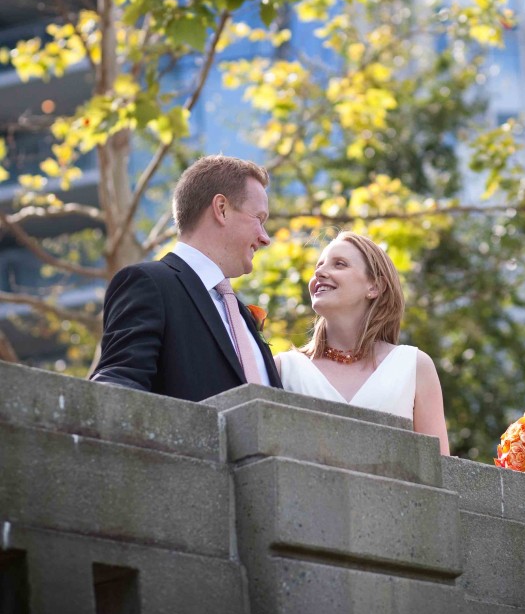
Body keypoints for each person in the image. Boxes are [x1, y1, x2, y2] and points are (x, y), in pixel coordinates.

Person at [89, 154, 282, 400]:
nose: (266, 238)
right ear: (221, 209)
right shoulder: (149, 284)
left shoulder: (241, 315)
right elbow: (117, 384)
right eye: (260, 219)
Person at [276, 231, 449, 455]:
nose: (319, 272)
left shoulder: (414, 366)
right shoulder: (284, 368)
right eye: (318, 266)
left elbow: (440, 469)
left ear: (374, 287)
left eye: (339, 264)